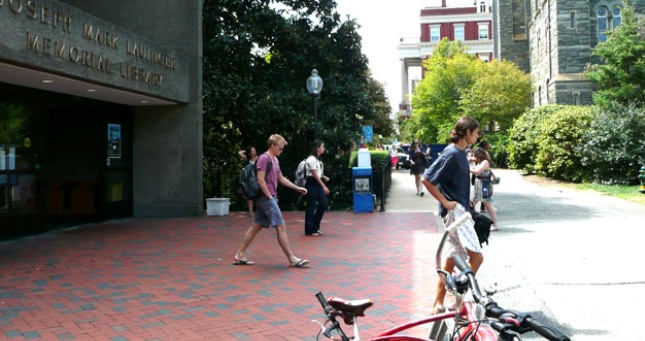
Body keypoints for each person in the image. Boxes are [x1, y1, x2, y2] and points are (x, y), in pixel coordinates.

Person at [420, 116, 483, 315]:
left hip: (461, 210)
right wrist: (446, 202)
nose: (478, 136)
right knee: (477, 258)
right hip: (457, 213)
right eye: (476, 132)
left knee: (450, 259)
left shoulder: (459, 153)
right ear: (467, 133)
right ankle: (458, 297)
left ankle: (439, 304)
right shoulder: (452, 153)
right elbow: (427, 179)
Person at [233, 134, 310, 268]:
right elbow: (260, 179)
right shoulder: (264, 158)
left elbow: (281, 178)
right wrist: (269, 197)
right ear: (273, 146)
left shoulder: (274, 160)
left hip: (268, 198)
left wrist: (297, 188)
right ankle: (292, 259)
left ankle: (239, 254)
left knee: (256, 226)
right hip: (266, 198)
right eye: (280, 148)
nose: (281, 150)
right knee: (280, 226)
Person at [304, 140, 330, 236]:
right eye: (322, 146)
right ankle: (309, 230)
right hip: (312, 184)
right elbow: (314, 175)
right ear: (317, 148)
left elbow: (318, 174)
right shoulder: (311, 159)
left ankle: (315, 226)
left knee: (324, 203)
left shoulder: (318, 160)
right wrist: (324, 186)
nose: (324, 148)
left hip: (317, 183)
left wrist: (324, 177)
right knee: (311, 206)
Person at [471, 147, 499, 230]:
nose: (474, 157)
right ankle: (469, 222)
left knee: (487, 204)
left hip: (484, 185)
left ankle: (495, 224)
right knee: (471, 203)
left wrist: (467, 168)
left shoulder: (485, 162)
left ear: (478, 155)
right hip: (479, 185)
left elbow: (477, 172)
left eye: (475, 155)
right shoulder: (479, 162)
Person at [238, 146, 258, 216]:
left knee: (260, 194)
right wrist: (246, 151)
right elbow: (239, 152)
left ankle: (261, 211)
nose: (254, 152)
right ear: (249, 153)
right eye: (252, 151)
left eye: (254, 150)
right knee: (250, 195)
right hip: (249, 180)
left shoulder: (259, 159)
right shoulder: (247, 159)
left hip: (257, 178)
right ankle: (251, 212)